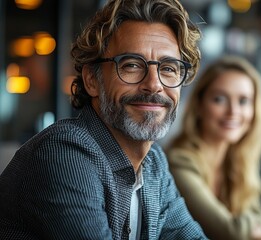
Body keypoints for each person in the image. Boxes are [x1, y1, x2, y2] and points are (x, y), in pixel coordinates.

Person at [0, 0, 207, 239]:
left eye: (169, 68)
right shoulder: (64, 153)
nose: (154, 84)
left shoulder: (154, 163)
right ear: (91, 80)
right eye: (131, 65)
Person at [166, 55, 261, 240]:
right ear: (199, 105)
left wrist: (253, 222)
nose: (233, 112)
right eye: (219, 99)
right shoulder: (180, 161)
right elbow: (230, 233)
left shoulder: (239, 159)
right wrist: (252, 224)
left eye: (244, 101)